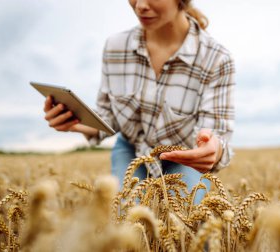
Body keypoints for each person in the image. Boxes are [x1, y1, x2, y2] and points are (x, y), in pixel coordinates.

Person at [43, 0, 235, 202]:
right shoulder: (115, 47)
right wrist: (76, 121)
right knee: (125, 219)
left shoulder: (217, 59)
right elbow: (109, 115)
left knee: (180, 223)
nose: (140, 5)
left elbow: (217, 135)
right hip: (131, 148)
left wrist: (212, 148)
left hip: (185, 154)